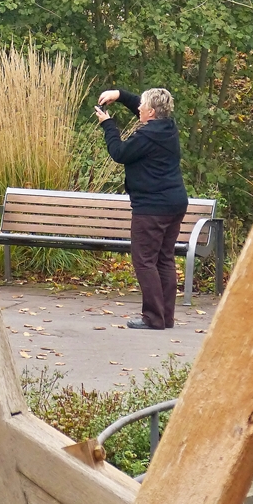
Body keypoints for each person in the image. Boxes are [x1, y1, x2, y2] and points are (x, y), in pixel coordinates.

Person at [95, 87, 188, 330]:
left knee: (145, 261)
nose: (138, 108)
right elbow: (140, 103)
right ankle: (165, 317)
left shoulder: (146, 137)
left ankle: (153, 318)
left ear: (151, 112)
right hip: (174, 203)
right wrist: (120, 95)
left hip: (152, 207)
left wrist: (108, 124)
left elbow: (119, 153)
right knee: (164, 259)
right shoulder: (168, 126)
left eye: (142, 106)